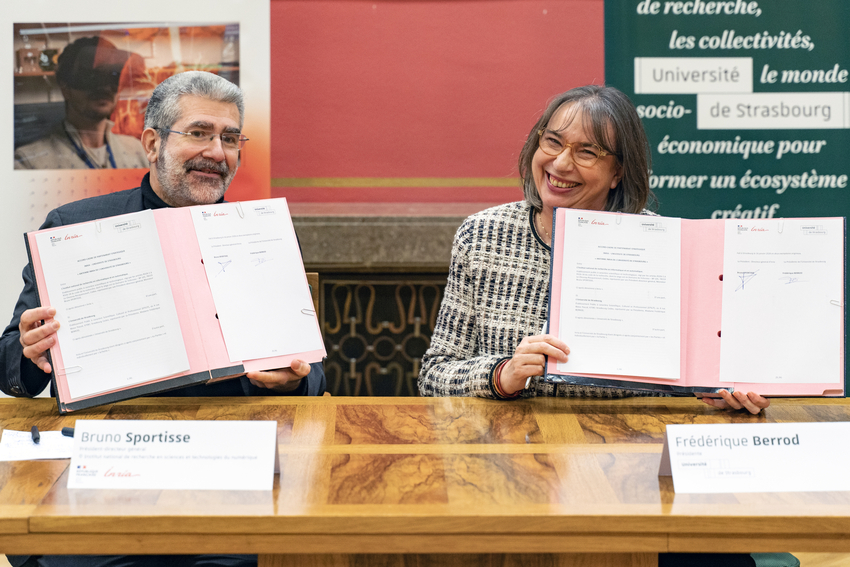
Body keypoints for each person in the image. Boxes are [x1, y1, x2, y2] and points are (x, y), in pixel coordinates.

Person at [2, 71, 324, 567]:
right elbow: (9, 364)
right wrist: (29, 352)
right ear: (152, 143)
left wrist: (291, 380)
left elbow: (314, 372)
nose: (217, 152)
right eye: (199, 133)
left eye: (231, 138)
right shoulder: (75, 226)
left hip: (229, 478)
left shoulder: (260, 236)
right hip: (105, 476)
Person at [418, 84, 769, 415]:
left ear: (617, 172)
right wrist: (503, 374)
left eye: (587, 152)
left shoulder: (660, 246)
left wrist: (718, 392)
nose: (561, 164)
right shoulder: (483, 235)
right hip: (512, 454)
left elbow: (687, 383)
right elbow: (433, 377)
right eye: (553, 142)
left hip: (630, 450)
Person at [14, 36, 149, 170]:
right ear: (65, 86)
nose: (104, 87)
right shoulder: (29, 163)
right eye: (90, 76)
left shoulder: (137, 152)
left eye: (113, 76)